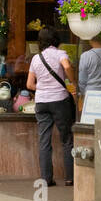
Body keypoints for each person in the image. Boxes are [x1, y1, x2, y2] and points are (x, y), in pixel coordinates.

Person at [26, 27, 75, 187]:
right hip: (59, 100)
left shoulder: (36, 58)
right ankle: (70, 178)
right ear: (56, 39)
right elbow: (66, 66)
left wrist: (43, 88)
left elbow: (29, 84)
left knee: (44, 141)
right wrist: (73, 82)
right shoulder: (60, 54)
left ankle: (46, 178)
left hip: (41, 102)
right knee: (67, 139)